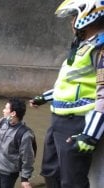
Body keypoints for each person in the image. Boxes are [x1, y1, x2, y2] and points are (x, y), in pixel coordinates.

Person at [29, 1, 104, 187]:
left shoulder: (100, 49)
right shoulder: (82, 46)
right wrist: (44, 97)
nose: (71, 22)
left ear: (88, 16)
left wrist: (91, 135)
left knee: (72, 181)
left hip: (77, 122)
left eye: (73, 16)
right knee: (50, 171)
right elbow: (69, 84)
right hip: (58, 119)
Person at [0, 98, 35, 188]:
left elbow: (27, 158)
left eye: (6, 108)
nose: (3, 110)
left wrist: (24, 178)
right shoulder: (2, 122)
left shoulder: (24, 134)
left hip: (9, 173)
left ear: (13, 113)